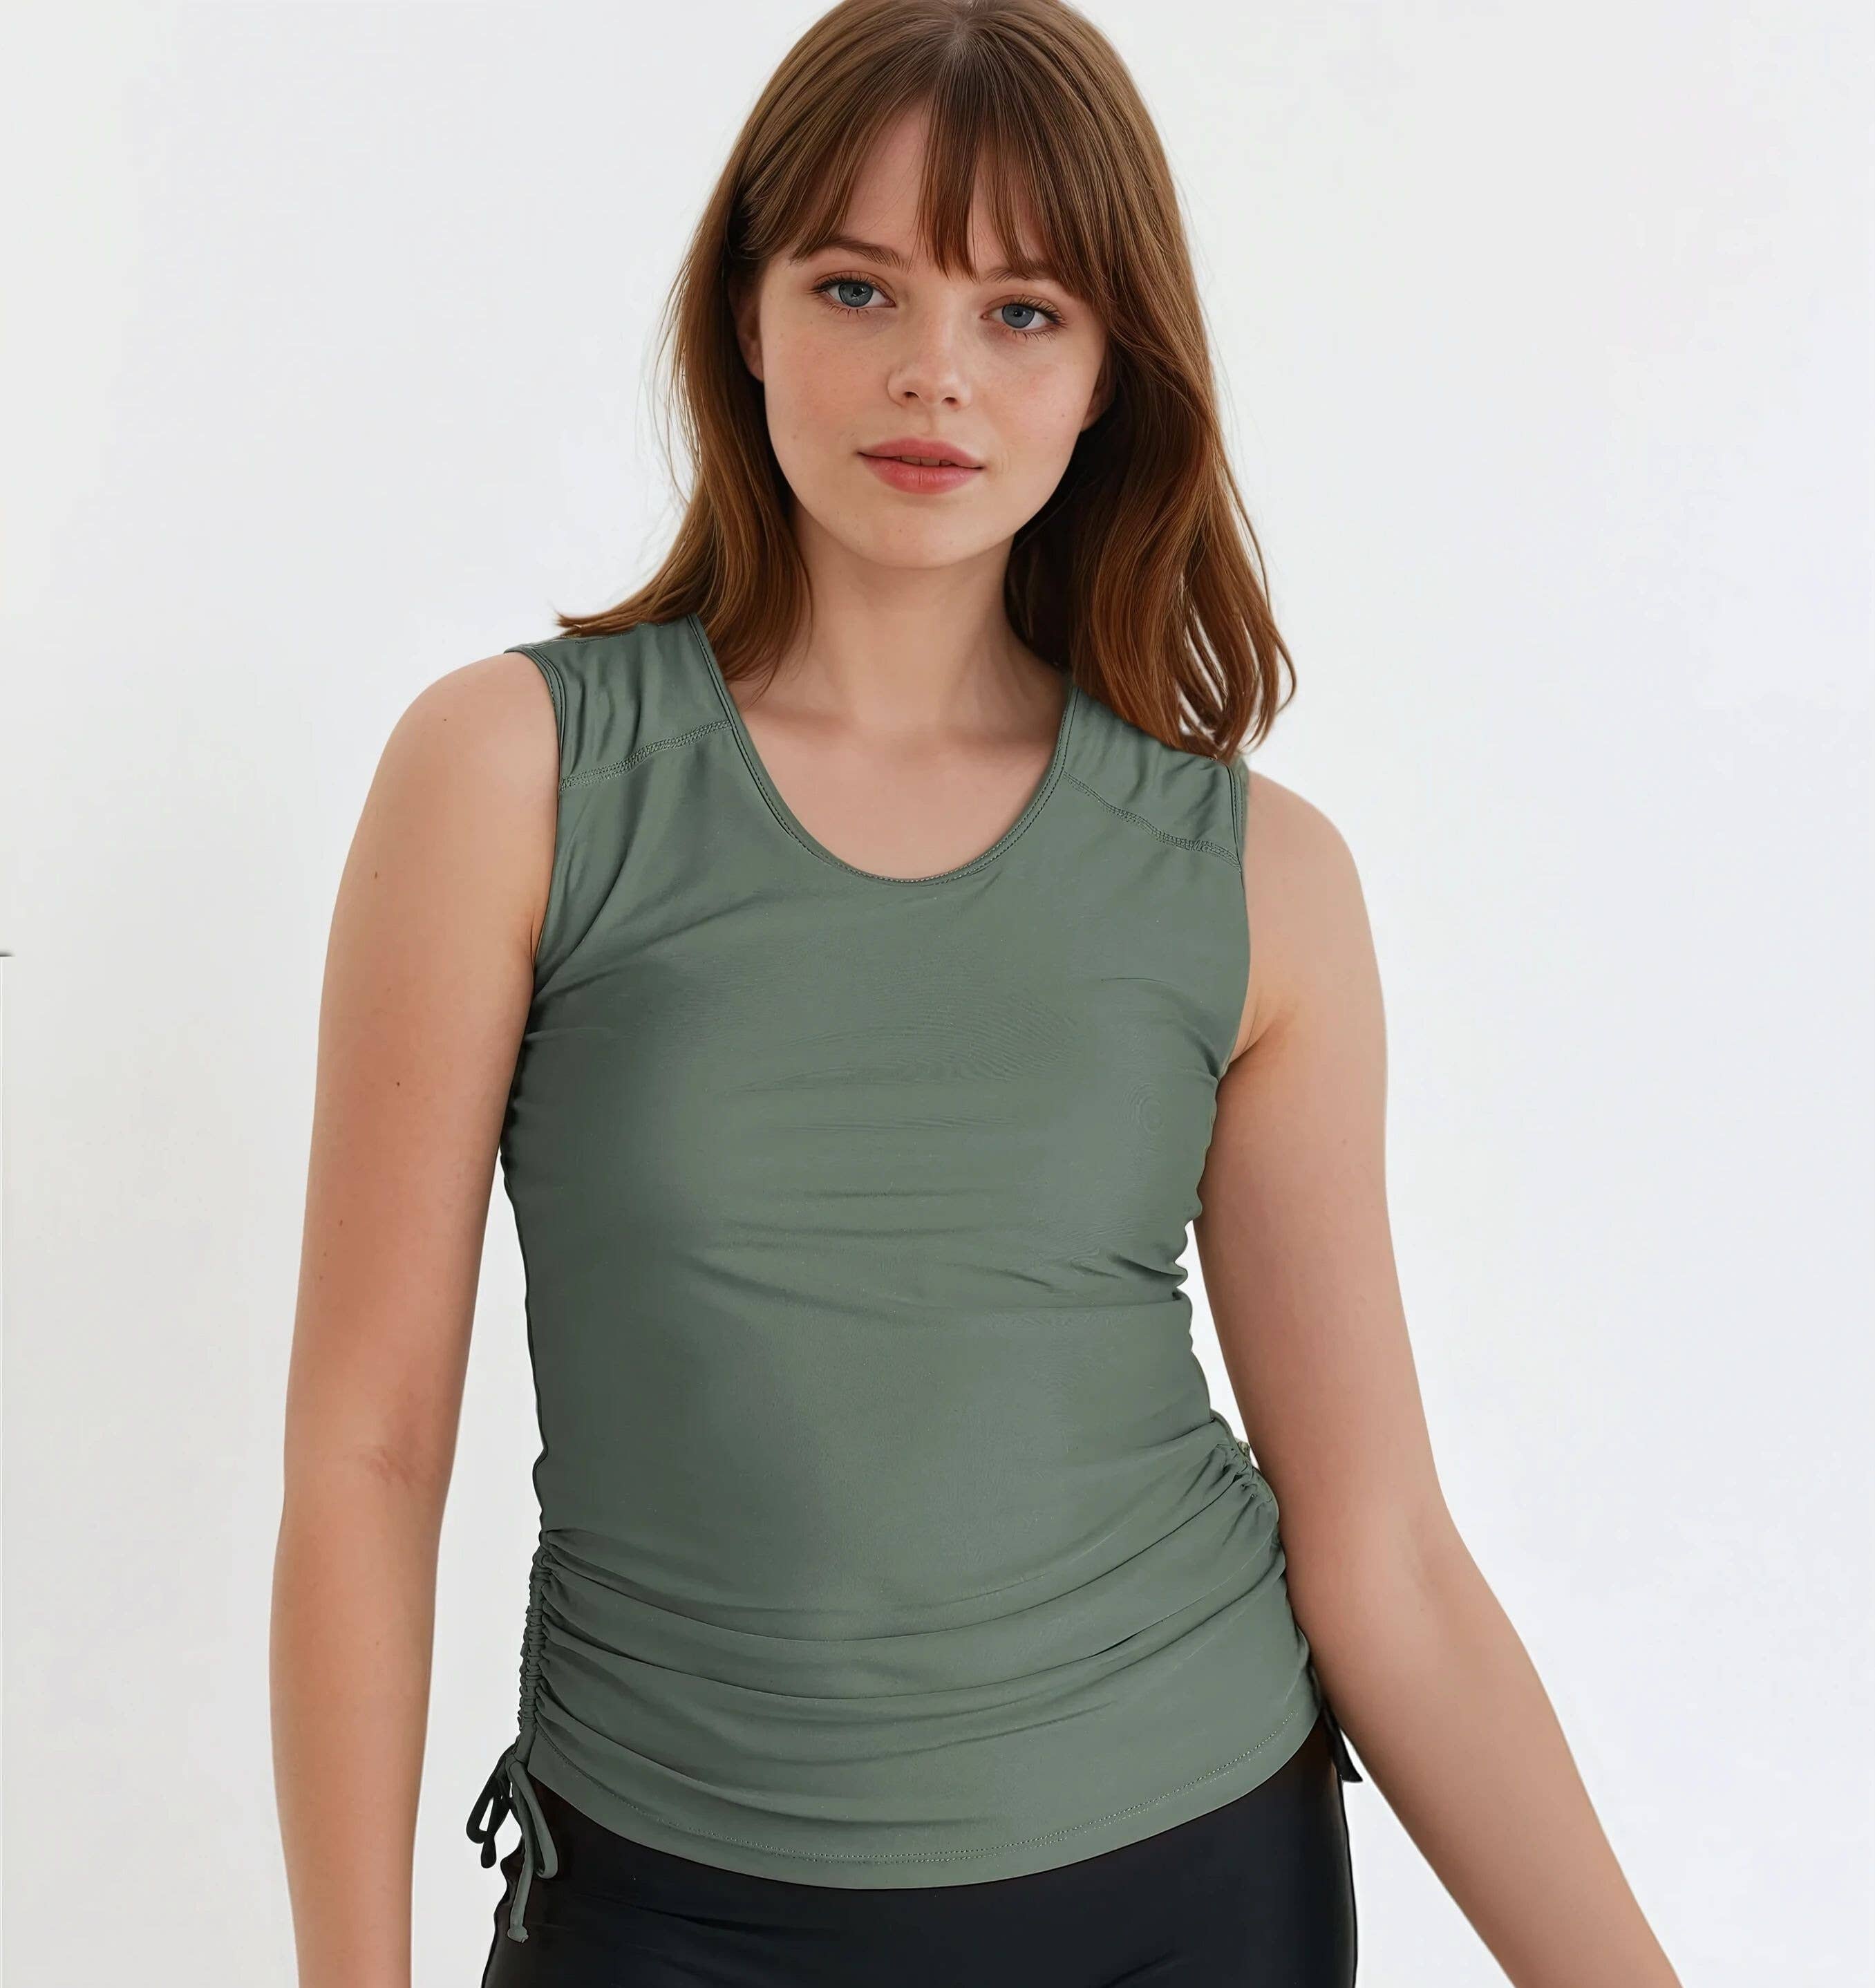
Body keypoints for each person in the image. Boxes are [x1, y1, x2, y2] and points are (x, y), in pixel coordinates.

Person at [270, 3, 1686, 1985]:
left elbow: (1381, 1553)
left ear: (1110, 372)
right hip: (673, 1901)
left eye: (1023, 311)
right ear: (745, 312)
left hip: (1186, 1871)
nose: (933, 371)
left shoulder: (1254, 877)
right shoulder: (517, 777)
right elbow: (364, 1453)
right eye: (858, 286)